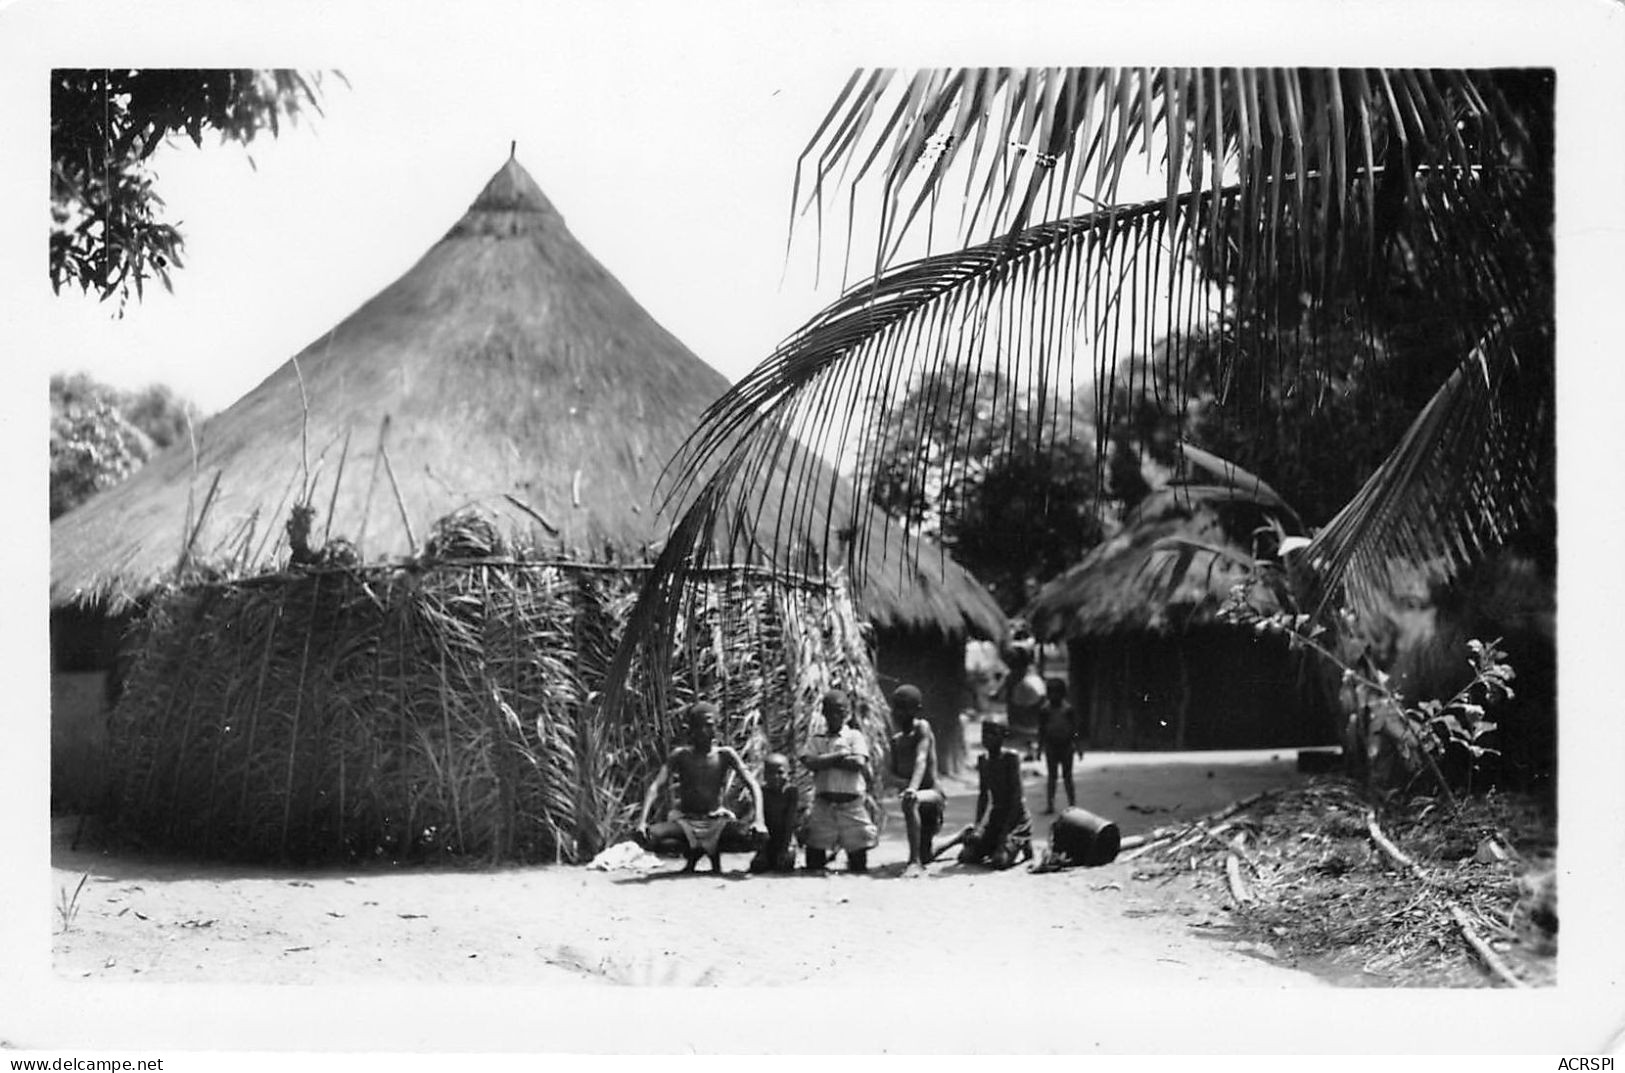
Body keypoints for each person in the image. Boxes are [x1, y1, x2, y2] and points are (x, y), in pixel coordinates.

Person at [636, 701, 767, 873]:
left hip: (716, 822)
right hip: (687, 822)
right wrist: (642, 821)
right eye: (699, 726)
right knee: (648, 838)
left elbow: (753, 785)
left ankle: (712, 855)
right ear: (691, 729)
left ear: (716, 727)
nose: (704, 730)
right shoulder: (680, 755)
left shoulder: (725, 754)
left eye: (709, 725)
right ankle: (694, 852)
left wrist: (759, 820)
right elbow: (655, 787)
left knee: (756, 837)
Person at [798, 689, 878, 873]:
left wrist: (825, 760)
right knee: (815, 854)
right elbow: (809, 762)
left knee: (858, 862)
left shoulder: (854, 736)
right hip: (824, 806)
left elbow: (858, 762)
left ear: (847, 713)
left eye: (840, 710)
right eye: (831, 711)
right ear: (824, 713)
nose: (836, 715)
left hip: (851, 806)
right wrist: (840, 754)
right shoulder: (817, 739)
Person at [940, 717, 1033, 869]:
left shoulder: (1010, 758)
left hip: (1015, 818)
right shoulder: (983, 760)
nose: (987, 737)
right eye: (985, 733)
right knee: (966, 856)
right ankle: (995, 844)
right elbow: (984, 796)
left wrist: (1004, 834)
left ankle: (1021, 842)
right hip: (997, 817)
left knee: (999, 861)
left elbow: (1017, 798)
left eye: (993, 733)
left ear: (1003, 735)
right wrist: (979, 828)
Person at [886, 684, 947, 877]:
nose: (898, 712)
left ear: (917, 710)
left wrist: (912, 788)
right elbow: (888, 775)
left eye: (904, 707)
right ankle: (959, 837)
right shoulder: (896, 741)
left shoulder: (922, 728)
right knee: (928, 853)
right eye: (896, 707)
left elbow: (921, 761)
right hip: (916, 800)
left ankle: (914, 862)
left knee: (910, 800)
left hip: (933, 795)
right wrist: (903, 784)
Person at [747, 753, 800, 874]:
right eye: (770, 773)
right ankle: (764, 856)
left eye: (780, 772)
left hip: (784, 837)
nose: (775, 777)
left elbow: (789, 822)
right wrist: (762, 852)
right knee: (759, 866)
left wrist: (784, 849)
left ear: (788, 773)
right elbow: (760, 821)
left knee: (786, 862)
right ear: (764, 774)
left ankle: (779, 856)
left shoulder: (791, 792)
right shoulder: (762, 792)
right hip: (767, 838)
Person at [1040, 677, 1082, 814]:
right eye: (1051, 693)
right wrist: (1039, 748)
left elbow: (1074, 729)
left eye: (1057, 693)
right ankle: (1050, 805)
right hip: (1051, 746)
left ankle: (1072, 804)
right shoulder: (1045, 710)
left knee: (1067, 776)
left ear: (1062, 694)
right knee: (1052, 777)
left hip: (1066, 746)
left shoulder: (1068, 709)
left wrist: (1078, 747)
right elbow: (1042, 730)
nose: (1054, 696)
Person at [1000, 644, 1047, 761]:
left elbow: (1001, 696)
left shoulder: (1012, 678)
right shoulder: (1035, 676)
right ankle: (1033, 749)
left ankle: (1030, 748)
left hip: (1020, 718)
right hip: (1036, 718)